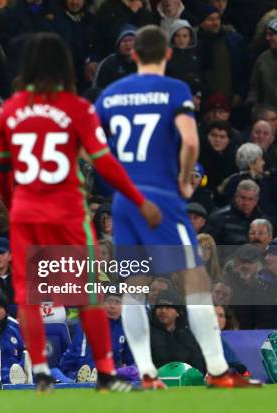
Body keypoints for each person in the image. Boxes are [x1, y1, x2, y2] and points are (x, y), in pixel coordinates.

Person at [0, 32, 161, 393]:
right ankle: (105, 374)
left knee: (28, 296)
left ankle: (40, 371)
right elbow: (105, 163)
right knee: (86, 296)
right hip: (66, 213)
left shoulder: (11, 109)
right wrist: (138, 199)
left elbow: (0, 172)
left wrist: (15, 201)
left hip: (26, 213)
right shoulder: (77, 108)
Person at [95, 25, 260, 389]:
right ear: (168, 55)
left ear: (134, 54)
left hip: (125, 201)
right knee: (196, 280)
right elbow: (188, 139)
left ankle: (147, 375)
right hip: (161, 196)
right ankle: (217, 371)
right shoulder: (173, 89)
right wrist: (185, 179)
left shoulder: (110, 95)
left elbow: (95, 150)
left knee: (134, 288)